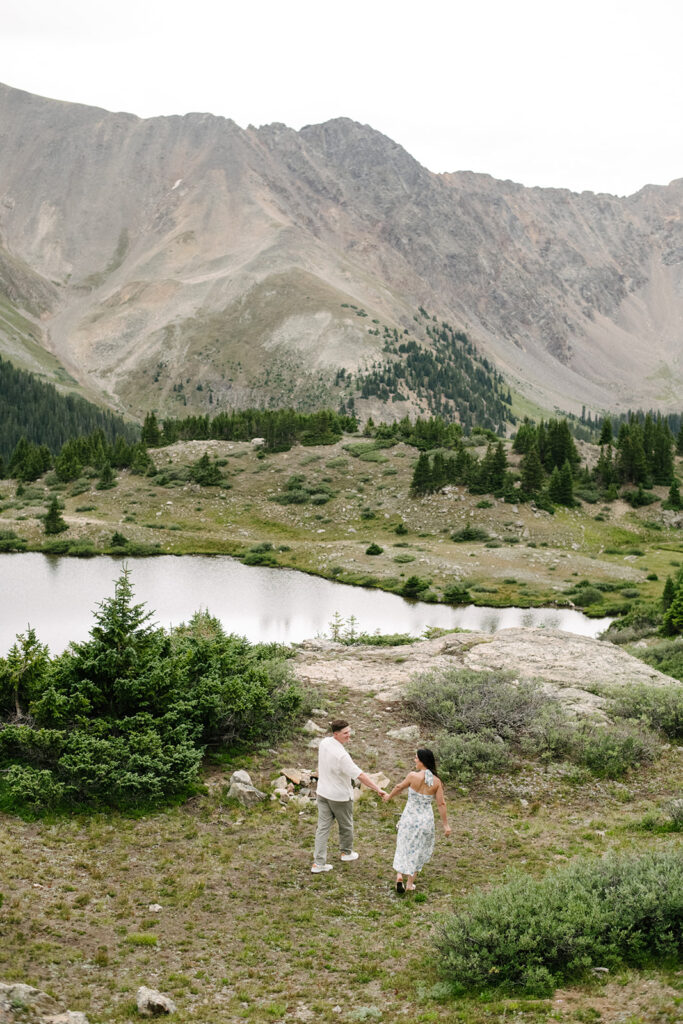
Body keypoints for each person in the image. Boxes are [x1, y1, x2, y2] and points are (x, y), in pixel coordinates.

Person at [312, 719, 387, 873]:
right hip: (339, 797)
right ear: (336, 734)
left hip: (322, 792)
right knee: (346, 826)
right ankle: (346, 853)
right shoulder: (342, 756)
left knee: (322, 828)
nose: (349, 735)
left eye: (349, 731)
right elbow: (360, 775)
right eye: (345, 733)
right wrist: (377, 789)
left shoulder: (325, 743)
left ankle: (318, 863)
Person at [382, 748, 450, 892]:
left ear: (422, 761)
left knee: (403, 845)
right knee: (418, 849)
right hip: (425, 821)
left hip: (409, 818)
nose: (414, 760)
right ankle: (409, 884)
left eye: (416, 758)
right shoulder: (437, 782)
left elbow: (399, 787)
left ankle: (399, 875)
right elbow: (441, 804)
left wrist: (388, 797)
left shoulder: (413, 776)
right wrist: (445, 825)